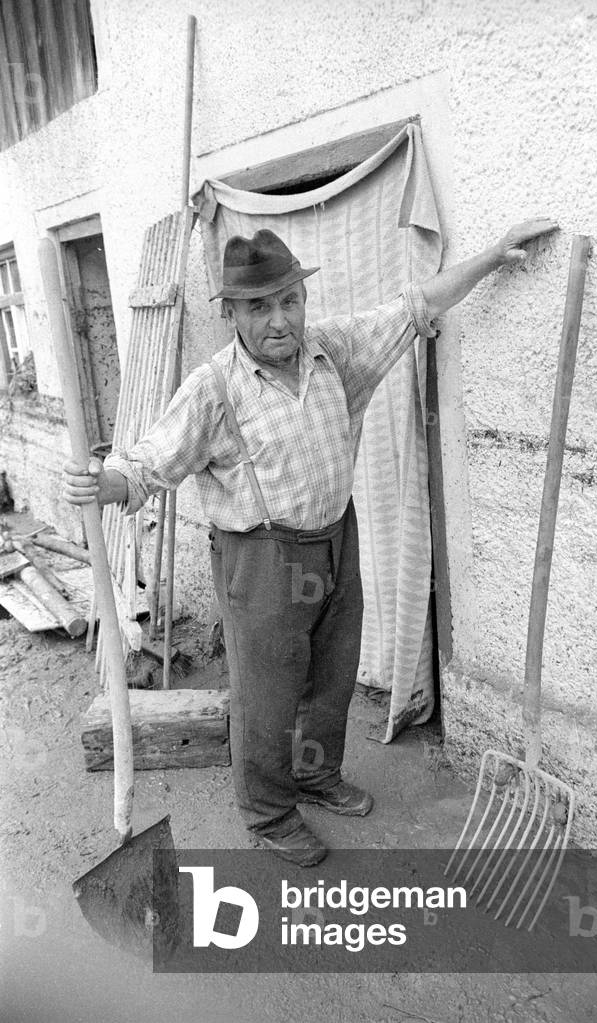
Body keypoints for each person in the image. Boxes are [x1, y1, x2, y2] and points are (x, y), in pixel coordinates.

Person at [63, 219, 558, 866]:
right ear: (231, 314)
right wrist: (102, 483)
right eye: (259, 307)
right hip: (260, 560)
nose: (279, 321)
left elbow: (415, 307)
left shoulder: (334, 352)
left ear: (303, 300)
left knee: (331, 674)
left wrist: (491, 255)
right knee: (266, 696)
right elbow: (149, 463)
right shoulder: (214, 388)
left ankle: (317, 775)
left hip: (335, 539)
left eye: (289, 301)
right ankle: (269, 813)